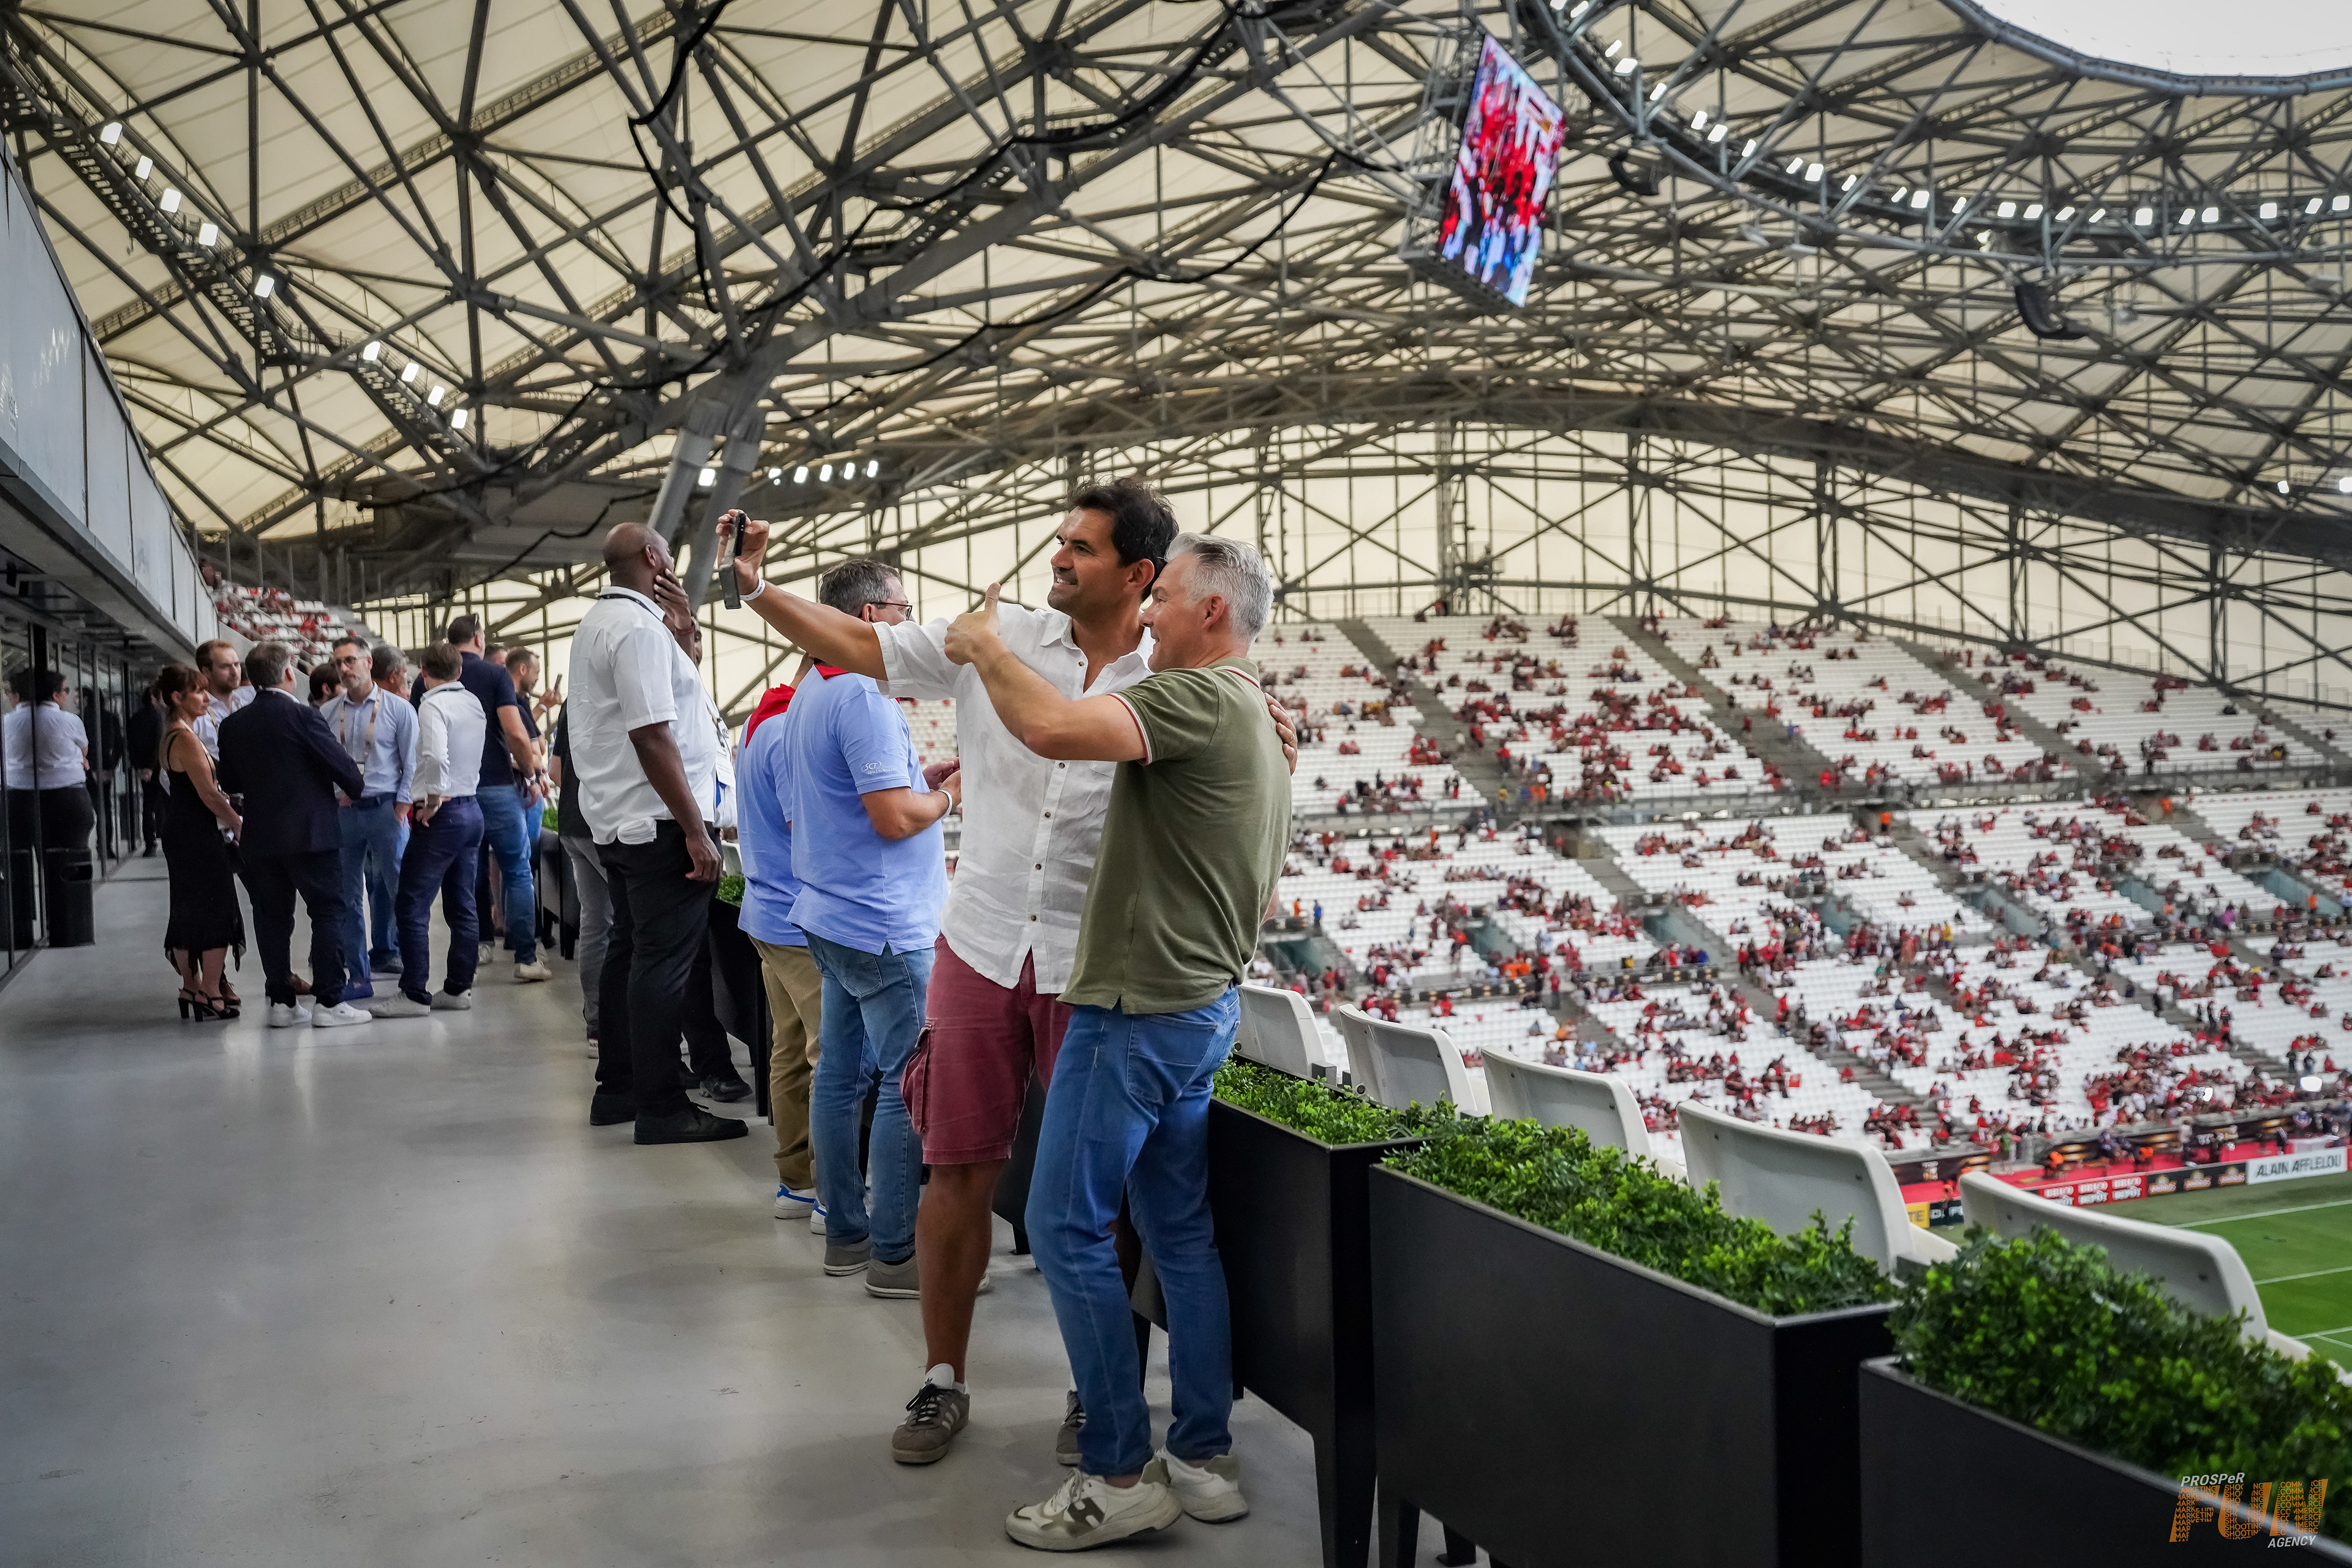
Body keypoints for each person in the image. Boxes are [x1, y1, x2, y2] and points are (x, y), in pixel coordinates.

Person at [724, 477, 1203, 1465]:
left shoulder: (1170, 670)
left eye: (1081, 547)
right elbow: (862, 645)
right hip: (980, 940)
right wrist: (755, 587)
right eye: (1058, 540)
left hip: (1091, 957)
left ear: (1138, 573)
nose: (1058, 557)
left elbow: (1230, 721)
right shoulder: (1006, 637)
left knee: (1096, 1192)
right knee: (955, 1165)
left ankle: (1092, 1390)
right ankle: (942, 1377)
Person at [943, 534, 1289, 1550]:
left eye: (1167, 597)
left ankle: (1116, 1470)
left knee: (1063, 1227)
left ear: (1213, 612)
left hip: (1133, 1012)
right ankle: (1203, 1451)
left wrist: (983, 647)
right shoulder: (1261, 718)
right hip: (1198, 1010)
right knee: (1178, 1232)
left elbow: (1050, 726)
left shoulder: (1194, 697)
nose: (1147, 615)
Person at [768, 557, 958, 1286]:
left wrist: (922, 780)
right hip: (883, 923)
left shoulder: (814, 687)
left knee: (841, 1074)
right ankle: (897, 1251)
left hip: (832, 913)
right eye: (904, 609)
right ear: (872, 617)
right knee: (910, 1084)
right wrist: (951, 797)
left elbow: (863, 796)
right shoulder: (863, 696)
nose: (911, 623)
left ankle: (845, 1234)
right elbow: (890, 818)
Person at [567, 522, 744, 1145]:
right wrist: (697, 831)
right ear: (652, 557)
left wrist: (686, 629)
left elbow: (681, 695)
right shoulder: (638, 630)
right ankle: (663, 1104)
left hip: (624, 819)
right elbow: (652, 732)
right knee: (664, 966)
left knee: (631, 955)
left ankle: (620, 1086)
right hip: (661, 822)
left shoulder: (609, 622)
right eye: (668, 555)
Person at [215, 641, 372, 1030]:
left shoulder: (233, 724)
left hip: (261, 835)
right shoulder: (304, 717)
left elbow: (231, 780)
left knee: (271, 917)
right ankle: (330, 1001)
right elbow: (347, 773)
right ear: (288, 674)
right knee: (328, 910)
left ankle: (281, 1003)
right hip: (311, 833)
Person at [734, 658, 826, 1225]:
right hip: (800, 920)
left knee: (789, 1049)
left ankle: (795, 1180)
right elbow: (807, 826)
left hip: (766, 911)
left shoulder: (759, 721)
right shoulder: (792, 733)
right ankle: (827, 1189)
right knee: (828, 1054)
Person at [368, 644, 486, 1017]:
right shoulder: (474, 703)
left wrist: (433, 799)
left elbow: (435, 756)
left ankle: (414, 992)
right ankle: (457, 988)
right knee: (462, 903)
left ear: (423, 671)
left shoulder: (432, 705)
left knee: (412, 903)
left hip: (443, 813)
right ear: (460, 671)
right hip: (471, 808)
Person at [444, 613, 551, 982]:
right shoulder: (495, 675)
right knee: (517, 870)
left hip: (454, 791)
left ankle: (478, 946)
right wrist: (533, 772)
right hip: (496, 785)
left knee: (467, 872)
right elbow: (517, 734)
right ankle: (525, 958)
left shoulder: (433, 677)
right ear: (477, 638)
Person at [324, 636, 418, 1000]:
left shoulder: (397, 709)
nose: (343, 669)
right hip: (345, 814)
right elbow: (325, 762)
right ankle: (359, 978)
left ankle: (414, 972)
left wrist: (401, 806)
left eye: (349, 661)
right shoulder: (330, 713)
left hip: (386, 810)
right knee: (347, 897)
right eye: (338, 663)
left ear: (367, 663)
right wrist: (335, 796)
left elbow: (412, 762)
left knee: (400, 892)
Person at [153, 663, 245, 1019]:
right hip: (196, 831)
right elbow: (209, 794)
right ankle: (208, 989)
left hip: (182, 829)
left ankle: (192, 985)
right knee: (216, 908)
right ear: (178, 698)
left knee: (187, 907)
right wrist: (237, 823)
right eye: (198, 692)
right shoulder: (187, 738)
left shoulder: (171, 734)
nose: (206, 697)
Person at [548, 703, 608, 1055]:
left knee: (595, 925)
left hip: (573, 824)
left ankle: (598, 1026)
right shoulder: (620, 686)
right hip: (607, 828)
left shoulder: (572, 703)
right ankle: (641, 1027)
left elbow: (556, 771)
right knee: (636, 926)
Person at [4, 669, 94, 866]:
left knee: (17, 864)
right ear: (54, 695)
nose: (66, 695)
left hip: (18, 798)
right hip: (69, 798)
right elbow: (84, 751)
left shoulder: (6, 723)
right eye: (65, 690)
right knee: (69, 867)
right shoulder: (70, 720)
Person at [189, 639, 250, 760]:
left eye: (237, 664)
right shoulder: (196, 716)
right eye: (226, 667)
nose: (235, 673)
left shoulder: (246, 707)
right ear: (206, 671)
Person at [126, 680, 167, 856]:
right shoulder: (160, 718)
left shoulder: (135, 719)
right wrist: (151, 767)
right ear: (153, 698)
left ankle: (150, 844)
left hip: (144, 770)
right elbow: (159, 743)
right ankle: (166, 840)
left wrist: (140, 768)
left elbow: (130, 745)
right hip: (159, 768)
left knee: (148, 807)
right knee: (166, 806)